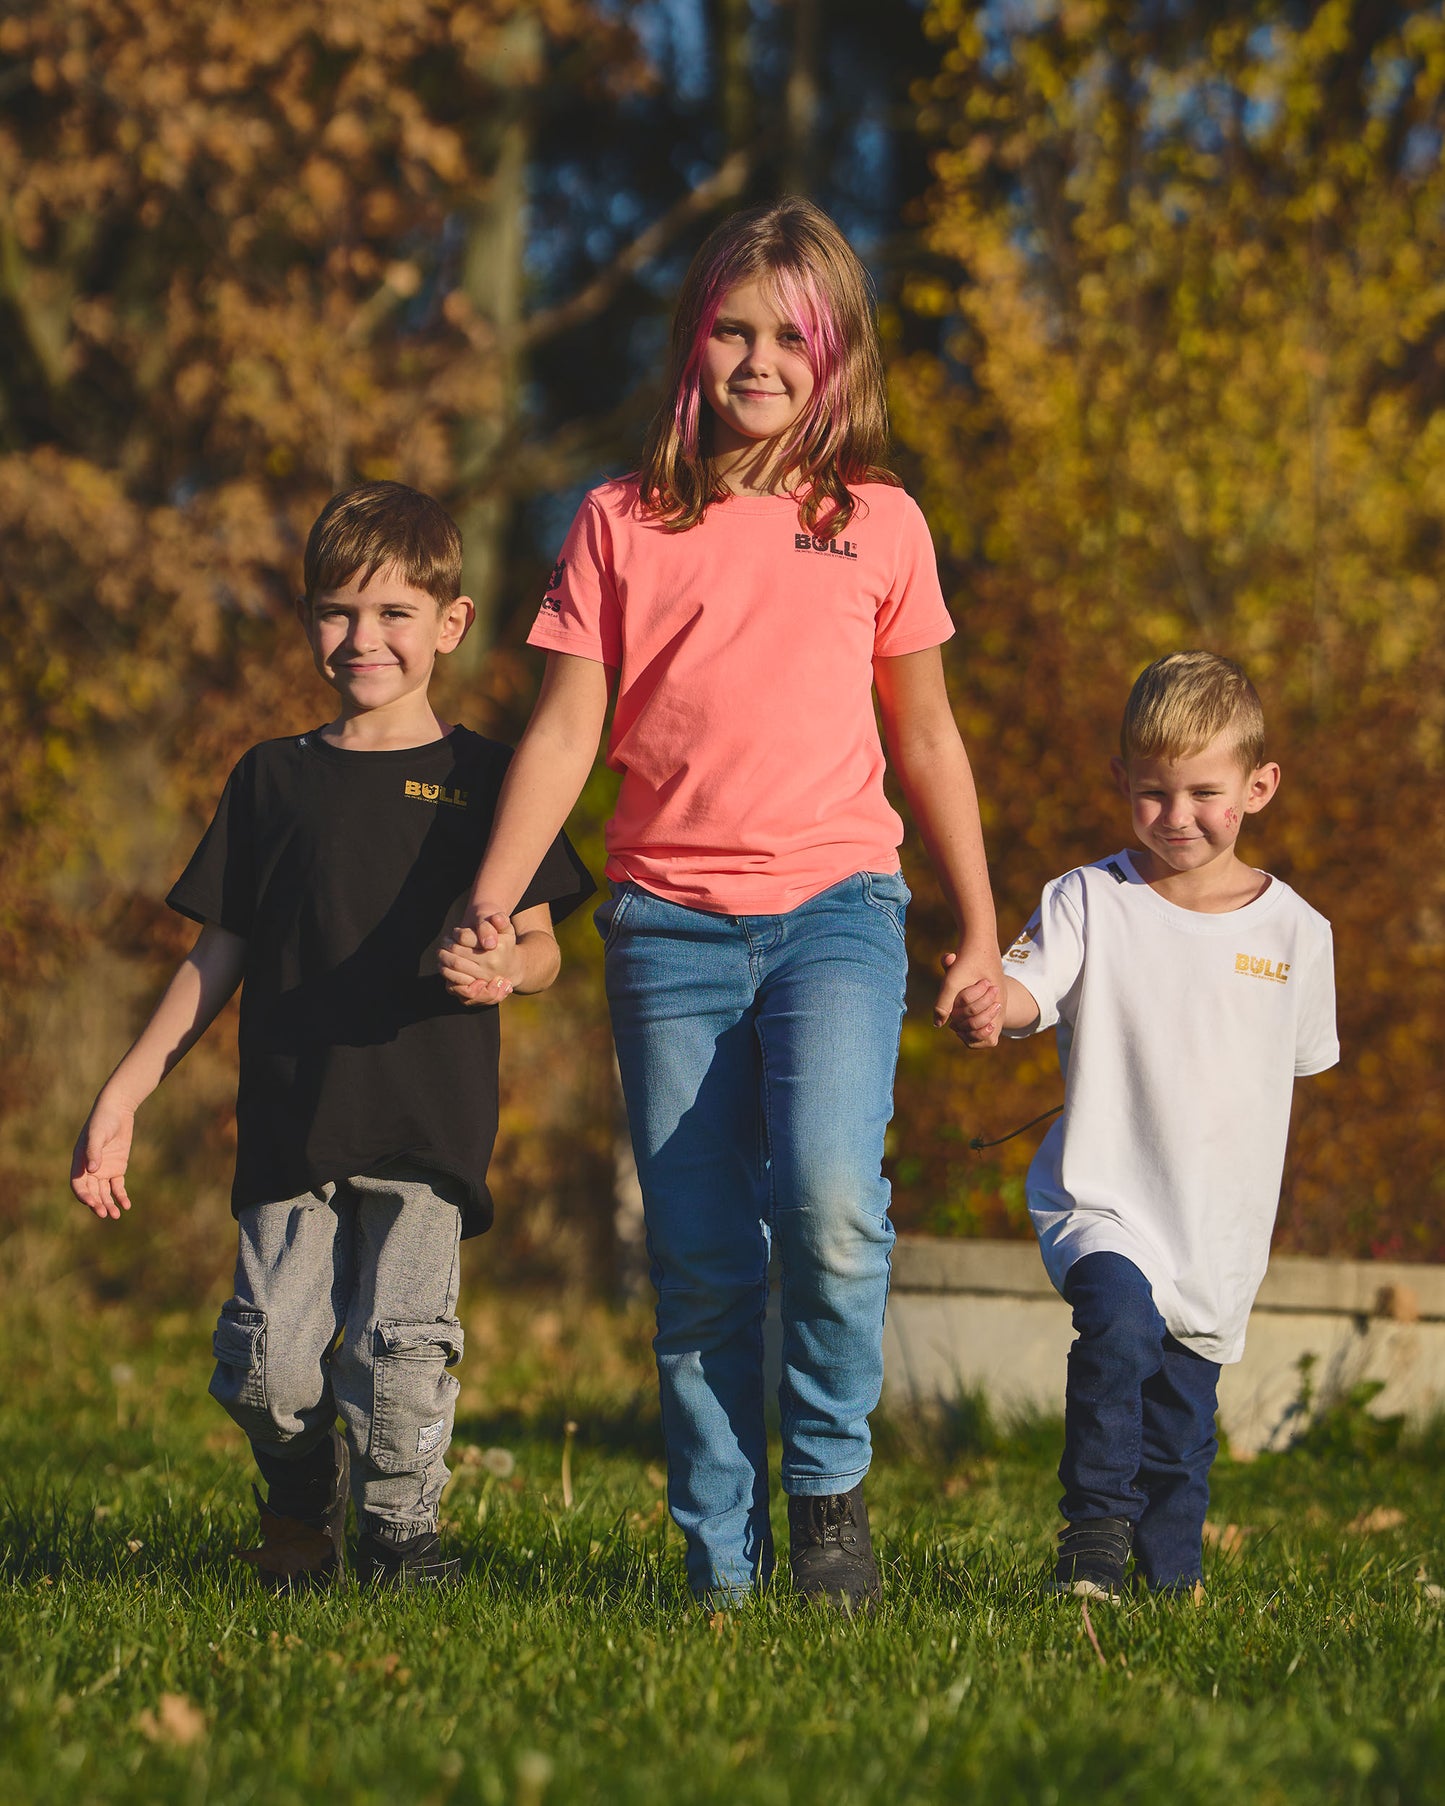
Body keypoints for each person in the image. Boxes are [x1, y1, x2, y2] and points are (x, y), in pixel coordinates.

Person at [437, 198, 1001, 1609]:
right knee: (695, 1256)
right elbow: (566, 733)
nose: (760, 359)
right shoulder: (620, 522)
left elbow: (925, 736)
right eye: (733, 329)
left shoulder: (880, 524)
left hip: (839, 913)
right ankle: (718, 1557)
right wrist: (496, 903)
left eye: (790, 336)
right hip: (665, 928)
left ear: (837, 357)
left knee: (826, 1205)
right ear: (693, 343)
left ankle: (826, 1491)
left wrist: (981, 924)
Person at [69, 482, 593, 1589]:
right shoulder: (272, 778)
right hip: (291, 1125)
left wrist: (508, 968)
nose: (363, 639)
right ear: (309, 619)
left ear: (448, 625)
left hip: (423, 1122)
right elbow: (216, 956)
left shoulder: (491, 780)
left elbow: (543, 947)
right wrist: (124, 1092)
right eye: (337, 612)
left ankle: (404, 1544)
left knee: (399, 1352)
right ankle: (302, 1494)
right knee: (269, 1365)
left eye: (394, 614)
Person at [951, 651, 1338, 1598]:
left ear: (1258, 786)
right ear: (1121, 782)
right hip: (1104, 1201)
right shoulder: (1088, 900)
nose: (1176, 817)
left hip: (1216, 1232)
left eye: (1202, 793)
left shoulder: (1298, 934)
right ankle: (1090, 1539)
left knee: (1179, 1428)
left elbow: (1292, 1069)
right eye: (1152, 793)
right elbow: (1028, 992)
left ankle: (1169, 1585)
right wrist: (988, 1004)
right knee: (1117, 1330)